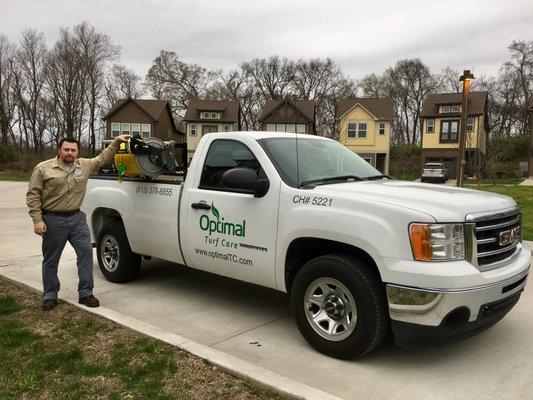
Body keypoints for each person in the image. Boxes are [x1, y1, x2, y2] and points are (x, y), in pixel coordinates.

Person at [26, 135, 131, 311]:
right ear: (59, 150)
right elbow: (33, 195)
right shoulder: (43, 169)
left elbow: (102, 158)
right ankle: (50, 295)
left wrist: (117, 142)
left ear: (77, 152)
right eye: (66, 149)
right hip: (53, 220)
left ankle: (86, 293)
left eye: (73, 150)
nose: (69, 153)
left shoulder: (84, 165)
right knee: (51, 260)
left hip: (77, 219)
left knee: (86, 254)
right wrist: (37, 220)